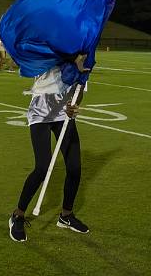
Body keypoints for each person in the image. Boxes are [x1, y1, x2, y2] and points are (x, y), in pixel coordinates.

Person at [9, 60, 91, 243]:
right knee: (42, 167)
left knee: (74, 167)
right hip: (41, 115)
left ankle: (66, 216)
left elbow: (80, 88)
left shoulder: (84, 61)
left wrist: (73, 105)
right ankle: (18, 215)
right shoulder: (51, 55)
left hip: (63, 116)